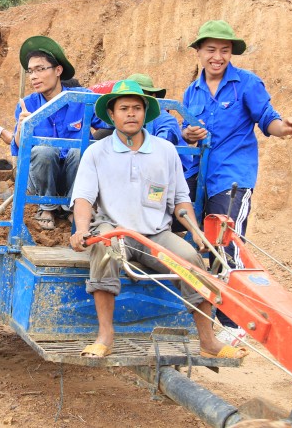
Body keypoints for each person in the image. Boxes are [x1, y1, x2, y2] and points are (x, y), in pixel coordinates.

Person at [69, 80, 248, 359]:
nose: (131, 114)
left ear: (145, 114)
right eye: (124, 108)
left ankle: (208, 341)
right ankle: (105, 335)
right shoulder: (97, 152)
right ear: (112, 115)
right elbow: (83, 199)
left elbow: (180, 201)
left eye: (137, 108)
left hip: (154, 233)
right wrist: (81, 230)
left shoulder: (165, 151)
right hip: (114, 230)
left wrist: (196, 231)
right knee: (104, 252)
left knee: (192, 260)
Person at [181, 20, 292, 340]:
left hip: (232, 177)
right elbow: (185, 133)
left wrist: (283, 129)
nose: (217, 56)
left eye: (224, 50)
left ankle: (234, 322)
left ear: (231, 53)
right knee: (182, 235)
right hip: (198, 176)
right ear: (199, 53)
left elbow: (267, 118)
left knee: (227, 243)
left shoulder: (246, 84)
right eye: (210, 50)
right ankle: (184, 307)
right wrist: (188, 134)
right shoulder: (191, 92)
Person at [13, 36, 110, 230]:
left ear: (58, 70)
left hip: (76, 175)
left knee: (80, 150)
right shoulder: (28, 104)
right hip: (43, 176)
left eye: (40, 69)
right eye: (30, 71)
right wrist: (23, 127)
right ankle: (47, 206)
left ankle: (75, 206)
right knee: (44, 151)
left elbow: (111, 122)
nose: (33, 76)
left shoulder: (83, 98)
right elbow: (17, 147)